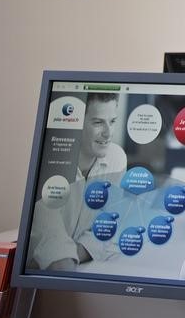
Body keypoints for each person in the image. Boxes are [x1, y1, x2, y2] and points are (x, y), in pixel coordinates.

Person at [29, 93, 127, 270]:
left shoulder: (116, 159)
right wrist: (64, 255)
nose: (108, 133)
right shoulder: (50, 165)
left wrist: (70, 254)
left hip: (83, 266)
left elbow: (109, 229)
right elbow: (58, 258)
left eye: (112, 121)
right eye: (98, 122)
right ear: (76, 123)